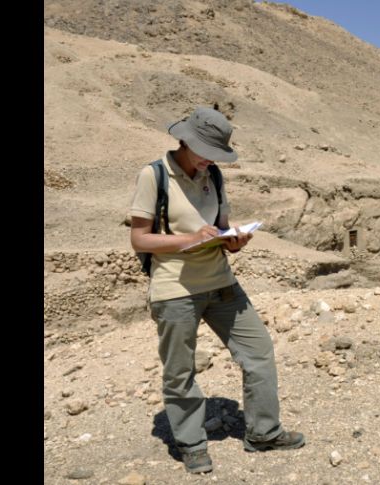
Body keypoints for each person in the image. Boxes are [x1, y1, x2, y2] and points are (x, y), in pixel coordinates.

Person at [129, 106, 305, 474]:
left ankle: (264, 432)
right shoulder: (154, 175)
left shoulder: (215, 176)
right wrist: (189, 239)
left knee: (258, 351)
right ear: (185, 142)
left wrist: (233, 241)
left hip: (221, 281)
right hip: (175, 289)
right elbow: (140, 239)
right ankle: (192, 444)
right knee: (180, 371)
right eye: (205, 152)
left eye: (215, 153)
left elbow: (220, 226)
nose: (210, 160)